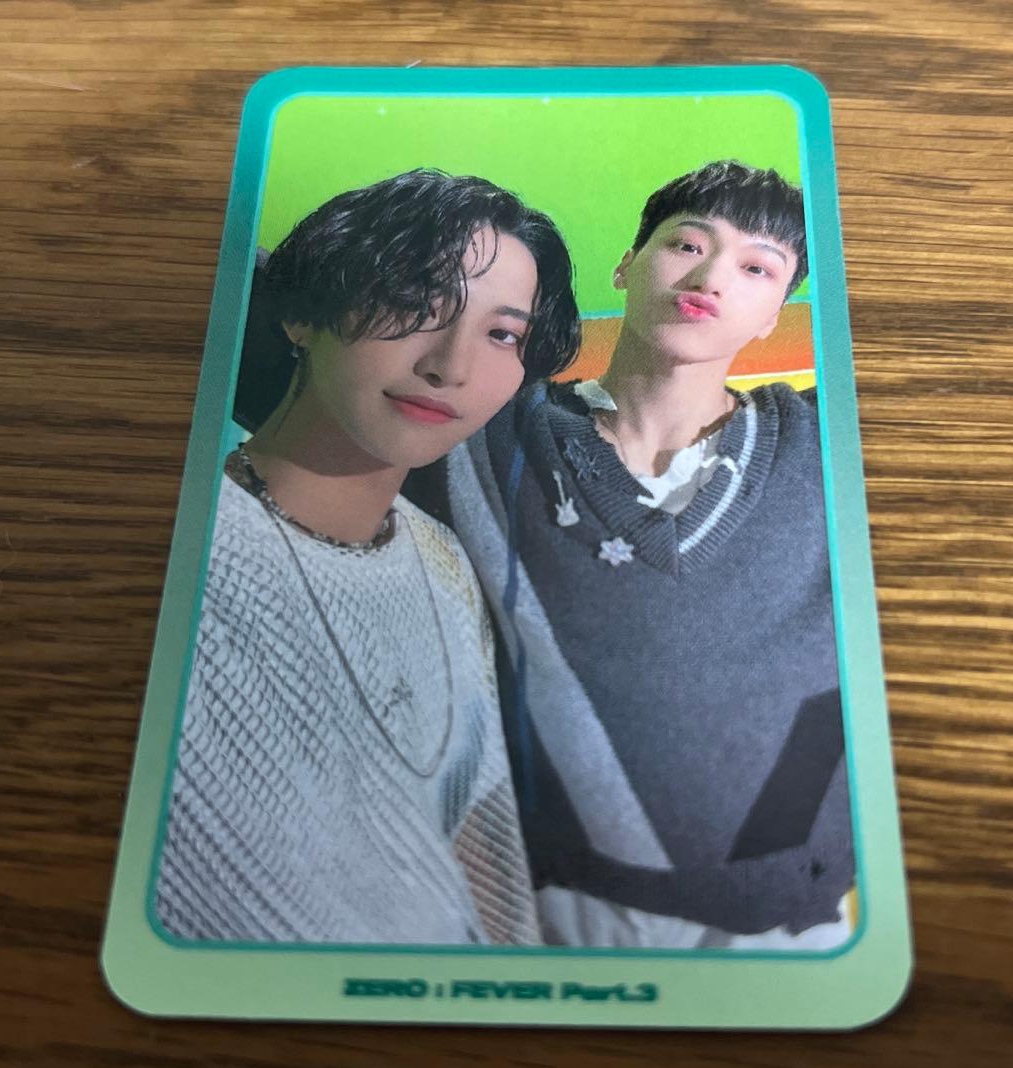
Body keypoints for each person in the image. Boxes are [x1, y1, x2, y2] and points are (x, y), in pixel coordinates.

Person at [405, 161, 855, 949]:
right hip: (557, 905)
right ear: (626, 265)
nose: (711, 277)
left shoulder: (828, 444)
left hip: (792, 919)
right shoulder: (487, 433)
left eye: (757, 268)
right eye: (687, 245)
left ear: (774, 313)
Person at [155, 170, 580, 946]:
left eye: (502, 335)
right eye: (417, 301)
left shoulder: (443, 561)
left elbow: (479, 824)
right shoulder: (187, 542)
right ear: (303, 314)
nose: (450, 365)